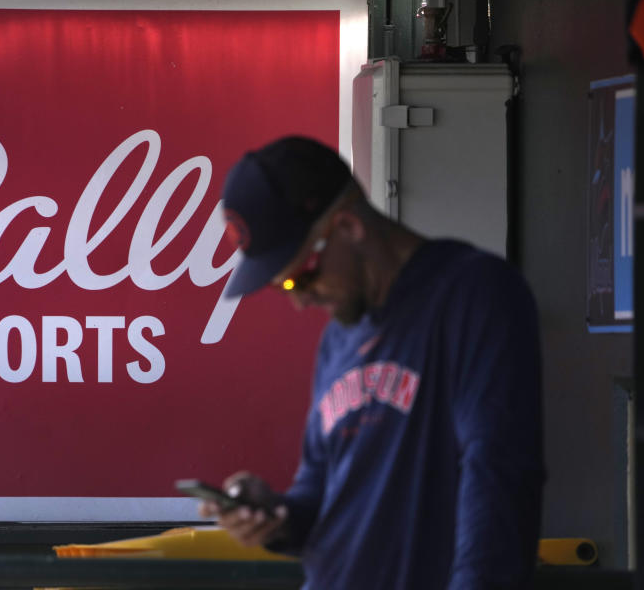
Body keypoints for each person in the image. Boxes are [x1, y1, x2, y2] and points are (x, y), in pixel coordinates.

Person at [201, 136, 544, 590]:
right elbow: (319, 488)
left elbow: (498, 480)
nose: (300, 301)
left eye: (300, 278)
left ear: (347, 227)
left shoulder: (475, 295)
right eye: (282, 287)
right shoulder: (338, 338)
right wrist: (274, 516)